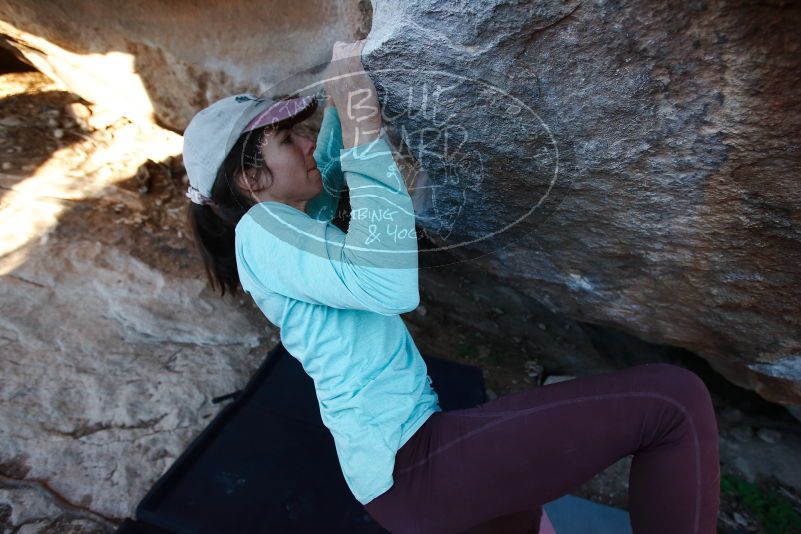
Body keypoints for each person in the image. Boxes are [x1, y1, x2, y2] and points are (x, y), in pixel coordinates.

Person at [182, 39, 721, 534]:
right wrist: (360, 117)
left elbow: (328, 167)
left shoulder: (290, 231)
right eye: (285, 137)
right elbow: (388, 281)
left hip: (408, 472)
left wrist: (346, 77)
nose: (302, 142)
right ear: (250, 180)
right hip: (412, 465)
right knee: (672, 401)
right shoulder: (260, 230)